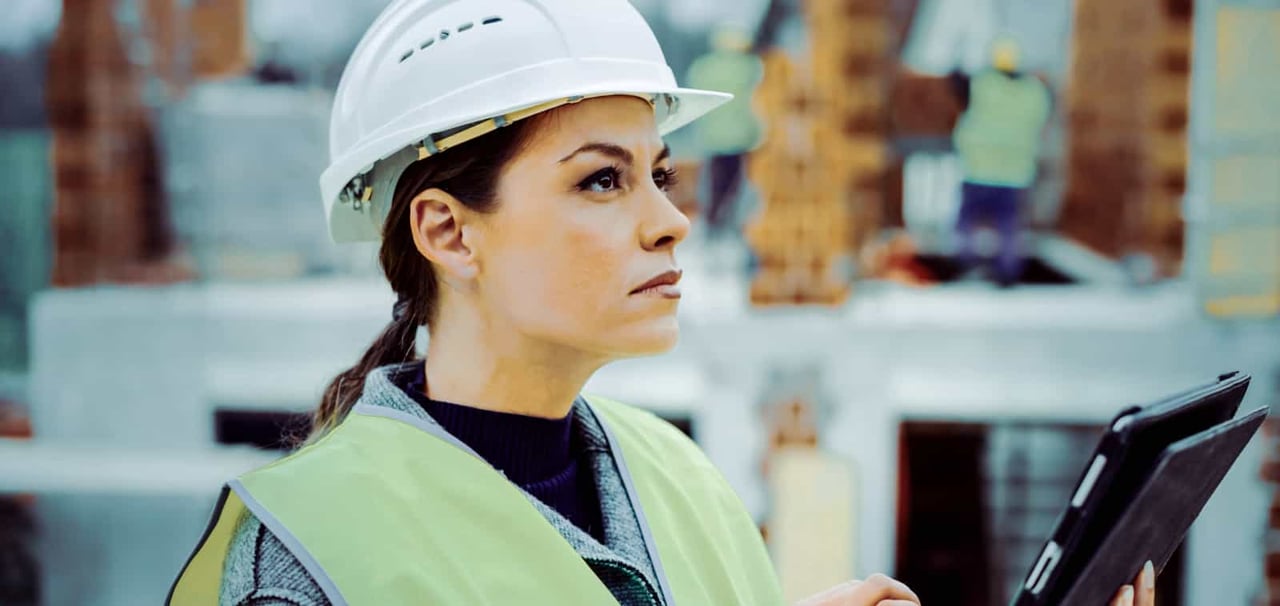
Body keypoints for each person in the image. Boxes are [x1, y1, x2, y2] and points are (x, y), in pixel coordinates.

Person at [167, 2, 1153, 604]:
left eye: (660, 173)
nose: (670, 221)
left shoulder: (674, 476)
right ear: (447, 232)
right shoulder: (302, 556)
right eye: (602, 181)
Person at [950, 36, 1051, 287]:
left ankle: (967, 266)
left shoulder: (983, 83)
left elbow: (957, 82)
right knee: (1009, 227)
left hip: (979, 169)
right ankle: (1008, 273)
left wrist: (957, 55)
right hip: (1015, 172)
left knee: (967, 222)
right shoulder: (1035, 92)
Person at [685, 26, 763, 238]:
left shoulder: (703, 67)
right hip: (742, 138)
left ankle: (713, 224)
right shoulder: (749, 68)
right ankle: (729, 226)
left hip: (712, 139)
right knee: (736, 186)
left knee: (716, 184)